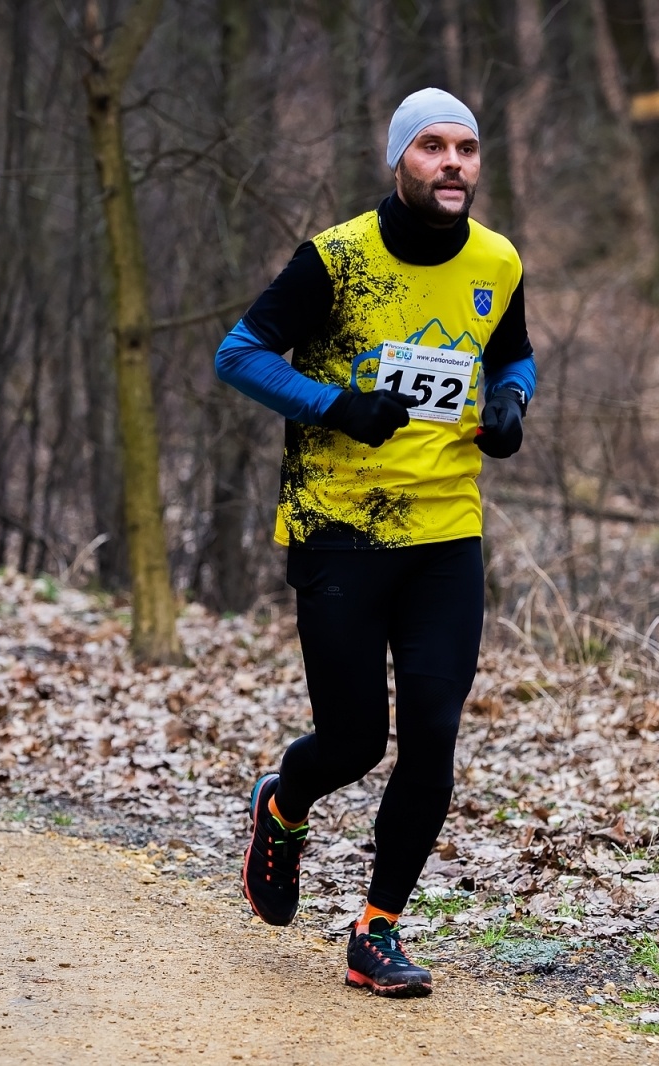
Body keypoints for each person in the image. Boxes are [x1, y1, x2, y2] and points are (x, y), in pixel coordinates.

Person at [214, 87, 536, 998]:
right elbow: (237, 354)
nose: (453, 164)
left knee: (432, 735)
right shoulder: (337, 260)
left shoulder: (496, 259)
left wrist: (512, 404)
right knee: (356, 741)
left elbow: (511, 354)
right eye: (433, 147)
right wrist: (337, 406)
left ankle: (376, 928)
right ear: (399, 160)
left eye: (466, 148)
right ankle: (282, 804)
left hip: (445, 531)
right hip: (340, 529)